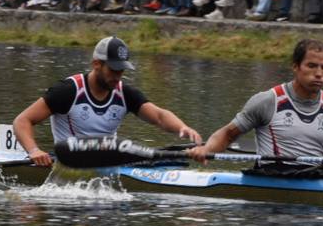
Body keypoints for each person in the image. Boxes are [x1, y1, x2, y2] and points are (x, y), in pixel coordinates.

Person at [12, 36, 201, 167]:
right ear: (97, 64)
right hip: (71, 158)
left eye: (122, 70)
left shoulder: (124, 93)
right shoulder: (68, 91)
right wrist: (34, 151)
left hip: (108, 157)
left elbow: (159, 116)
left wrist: (182, 128)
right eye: (113, 70)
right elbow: (22, 121)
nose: (118, 76)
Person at [188, 39, 323, 165]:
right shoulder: (267, 101)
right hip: (271, 179)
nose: (319, 73)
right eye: (311, 66)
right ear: (295, 67)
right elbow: (227, 135)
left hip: (312, 180)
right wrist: (206, 150)